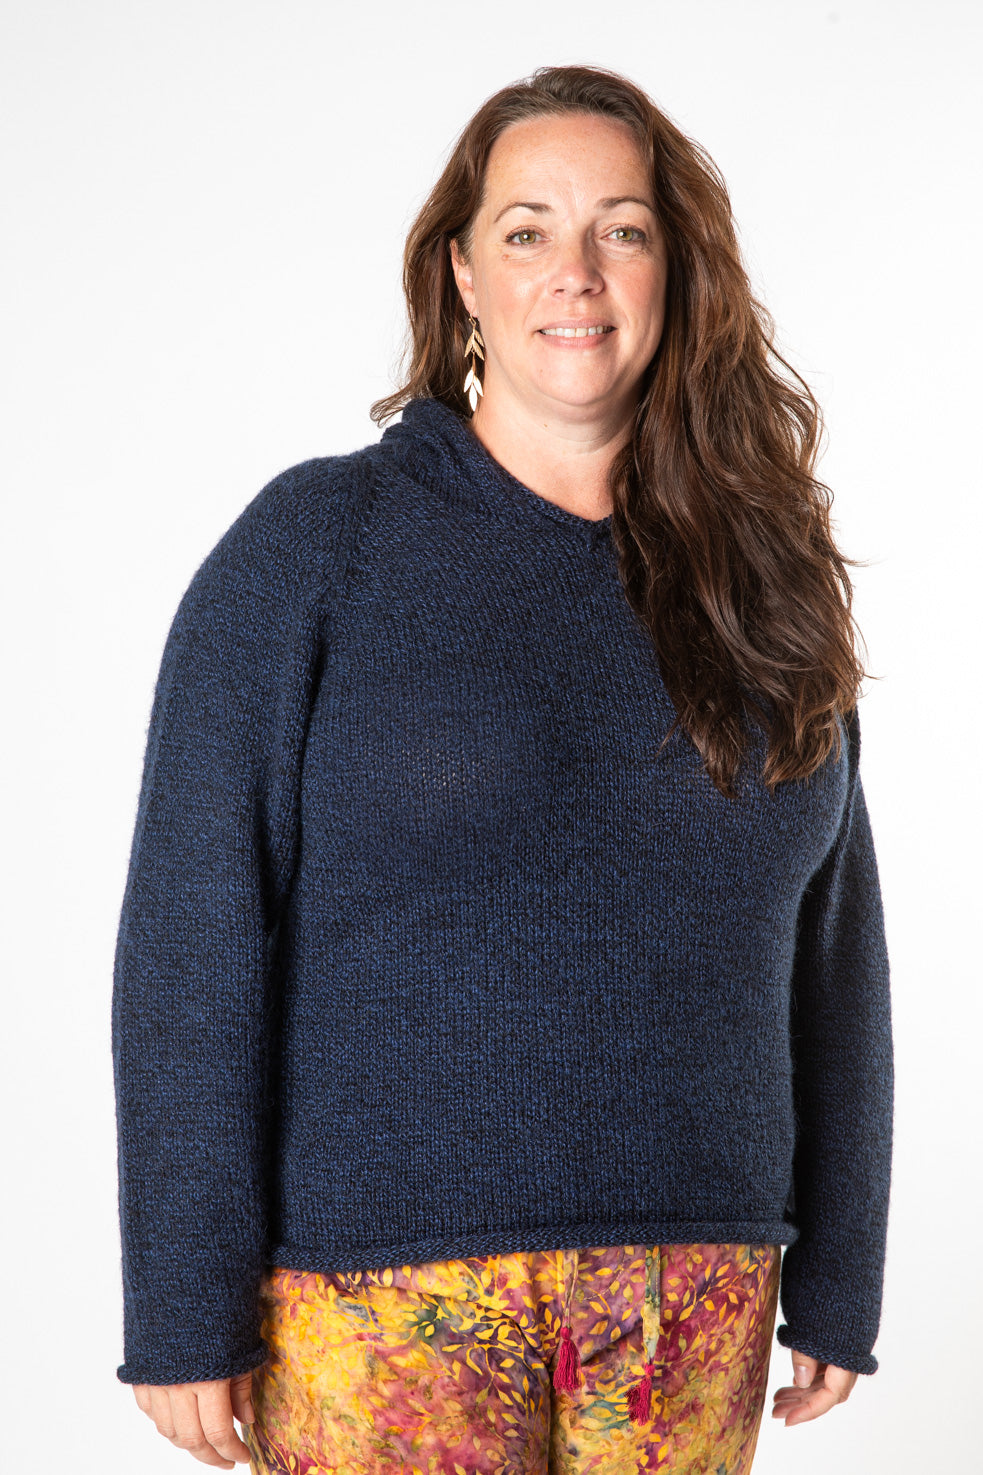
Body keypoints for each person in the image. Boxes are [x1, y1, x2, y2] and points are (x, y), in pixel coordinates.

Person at [111, 63, 894, 1474]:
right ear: (463, 274)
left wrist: (842, 1258)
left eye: (624, 229)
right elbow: (192, 928)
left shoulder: (763, 580)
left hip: (693, 1295)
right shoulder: (315, 553)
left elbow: (833, 939)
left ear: (677, 268)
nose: (575, 271)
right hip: (390, 1300)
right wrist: (182, 1301)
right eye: (528, 230)